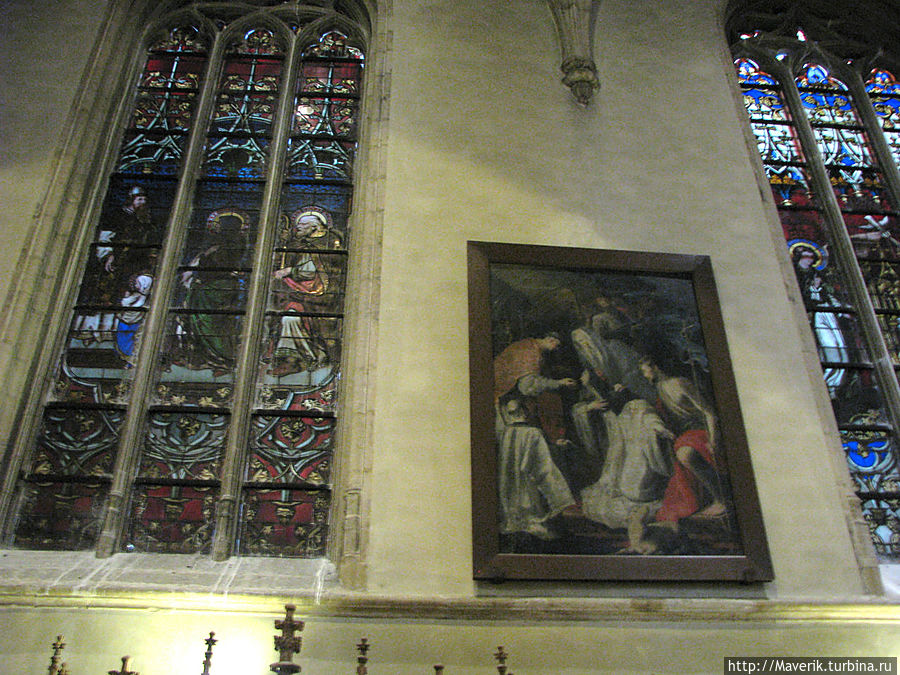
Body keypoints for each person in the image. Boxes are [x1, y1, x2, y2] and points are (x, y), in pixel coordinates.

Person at [493, 334, 578, 542]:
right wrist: (558, 383)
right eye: (557, 344)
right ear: (550, 339)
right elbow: (527, 386)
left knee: (521, 469)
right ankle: (528, 516)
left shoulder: (525, 346)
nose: (556, 349)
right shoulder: (531, 352)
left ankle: (526, 515)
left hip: (512, 420)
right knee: (531, 467)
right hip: (514, 422)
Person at [639, 357, 726, 522]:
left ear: (655, 367)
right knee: (680, 453)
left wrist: (714, 440)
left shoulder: (680, 383)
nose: (644, 375)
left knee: (685, 454)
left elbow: (709, 413)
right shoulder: (660, 389)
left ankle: (721, 499)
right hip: (687, 434)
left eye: (645, 370)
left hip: (704, 429)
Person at [269, 209, 331, 377]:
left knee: (290, 318)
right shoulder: (297, 245)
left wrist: (290, 271)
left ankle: (299, 359)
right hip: (292, 292)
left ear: (314, 227)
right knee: (275, 315)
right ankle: (280, 358)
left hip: (314, 295)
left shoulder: (323, 246)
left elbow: (311, 272)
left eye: (303, 225)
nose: (298, 228)